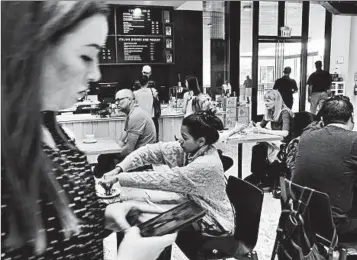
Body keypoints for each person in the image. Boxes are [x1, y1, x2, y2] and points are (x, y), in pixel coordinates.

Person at [1, 2, 176, 259]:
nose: (95, 73)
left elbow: (58, 232)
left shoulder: (50, 127)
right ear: (32, 49)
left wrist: (100, 218)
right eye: (85, 56)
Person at [103, 113, 235, 235]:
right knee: (139, 209)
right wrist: (119, 169)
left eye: (184, 138)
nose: (180, 141)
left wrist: (119, 178)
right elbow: (150, 151)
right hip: (193, 206)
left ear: (201, 141)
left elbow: (162, 180)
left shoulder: (206, 164)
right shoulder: (191, 148)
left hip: (213, 221)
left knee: (145, 222)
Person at [292, 96, 357, 242]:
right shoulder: (354, 141)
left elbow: (313, 124)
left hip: (300, 216)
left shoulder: (306, 135)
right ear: (351, 117)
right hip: (334, 225)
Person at [94, 89, 157, 177]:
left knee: (102, 164)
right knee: (103, 158)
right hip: (137, 155)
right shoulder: (131, 115)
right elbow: (122, 140)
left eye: (119, 100)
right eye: (116, 100)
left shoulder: (136, 116)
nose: (117, 103)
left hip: (141, 160)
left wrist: (112, 155)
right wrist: (112, 152)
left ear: (130, 100)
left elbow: (128, 149)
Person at [245, 90, 294, 187]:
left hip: (286, 145)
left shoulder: (285, 112)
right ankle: (258, 176)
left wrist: (265, 131)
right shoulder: (270, 111)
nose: (266, 103)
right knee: (257, 148)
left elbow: (285, 133)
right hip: (275, 142)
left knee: (259, 149)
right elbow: (261, 126)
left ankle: (260, 178)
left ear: (276, 101)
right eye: (265, 101)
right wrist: (255, 126)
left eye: (268, 101)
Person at [133, 65, 160, 140]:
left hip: (141, 118)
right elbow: (157, 100)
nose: (145, 74)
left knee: (142, 139)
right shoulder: (153, 91)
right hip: (151, 117)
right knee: (153, 138)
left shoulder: (135, 93)